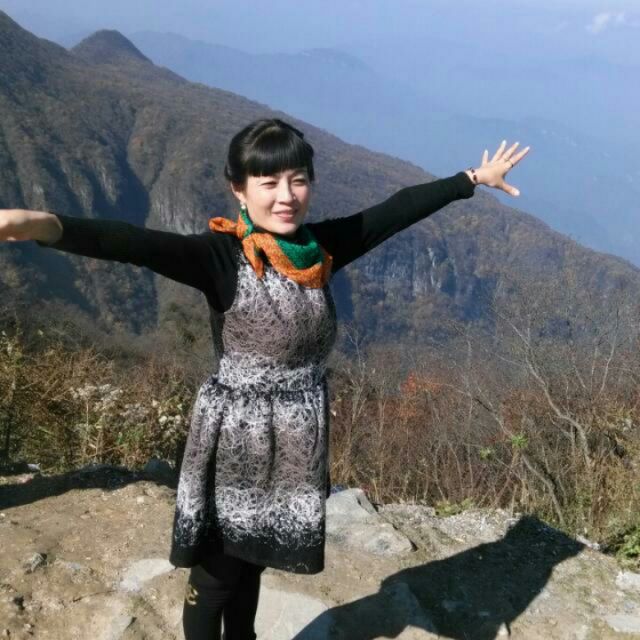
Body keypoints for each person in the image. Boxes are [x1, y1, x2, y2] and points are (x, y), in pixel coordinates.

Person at [0, 118, 529, 639]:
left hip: (295, 440)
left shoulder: (318, 250)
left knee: (253, 560)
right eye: (268, 182)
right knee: (215, 577)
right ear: (239, 189)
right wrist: (42, 224)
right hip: (236, 441)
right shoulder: (220, 258)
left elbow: (394, 211)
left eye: (298, 180)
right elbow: (131, 242)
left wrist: (471, 180)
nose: (286, 196)